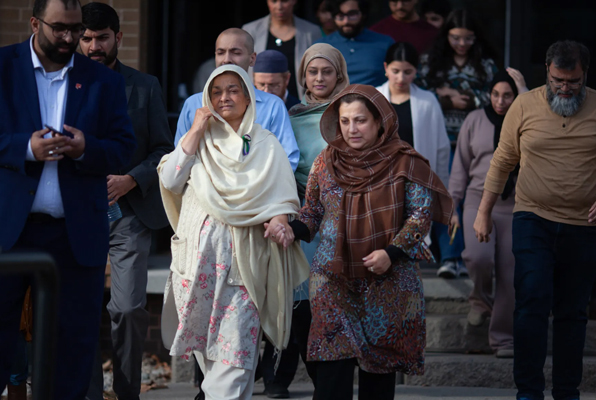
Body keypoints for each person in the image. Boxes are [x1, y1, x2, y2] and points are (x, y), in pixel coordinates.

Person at [0, 0, 136, 397]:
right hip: (1, 228)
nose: (70, 38)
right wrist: (24, 148)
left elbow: (123, 148)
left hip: (72, 235)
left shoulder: (103, 81)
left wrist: (87, 147)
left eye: (75, 28)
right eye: (60, 29)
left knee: (72, 339)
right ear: (35, 23)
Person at [473, 40, 596, 400]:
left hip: (585, 224)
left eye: (573, 81)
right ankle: (528, 392)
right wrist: (483, 212)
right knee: (531, 302)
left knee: (572, 312)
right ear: (546, 70)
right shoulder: (524, 105)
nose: (565, 88)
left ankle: (566, 392)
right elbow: (503, 160)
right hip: (533, 217)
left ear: (585, 74)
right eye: (558, 80)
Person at [280, 84, 453, 400]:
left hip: (387, 278)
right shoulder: (326, 162)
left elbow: (420, 216)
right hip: (334, 276)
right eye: (344, 121)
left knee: (379, 370)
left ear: (379, 122)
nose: (351, 129)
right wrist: (291, 230)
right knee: (333, 366)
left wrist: (391, 253)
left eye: (360, 120)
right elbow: (312, 212)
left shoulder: (405, 162)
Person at [158, 64, 309, 400]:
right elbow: (169, 180)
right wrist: (196, 129)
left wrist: (280, 221)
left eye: (233, 89)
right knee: (212, 362)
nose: (224, 97)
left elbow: (283, 195)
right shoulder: (199, 140)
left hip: (244, 268)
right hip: (197, 267)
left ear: (247, 96)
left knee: (235, 355)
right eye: (216, 91)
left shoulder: (266, 143)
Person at [79, 3, 175, 400]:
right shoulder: (62, 85)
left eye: (101, 37)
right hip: (76, 215)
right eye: (86, 38)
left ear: (118, 37)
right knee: (79, 309)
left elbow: (162, 151)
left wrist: (131, 180)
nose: (93, 46)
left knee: (128, 308)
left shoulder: (145, 85)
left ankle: (126, 392)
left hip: (129, 215)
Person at [258, 42, 350, 399]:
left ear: (339, 73)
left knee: (328, 305)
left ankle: (328, 385)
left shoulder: (350, 109)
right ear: (302, 76)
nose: (320, 78)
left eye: (327, 71)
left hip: (340, 220)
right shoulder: (289, 114)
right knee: (300, 305)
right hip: (299, 216)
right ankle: (308, 381)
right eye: (313, 71)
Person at [448, 70, 528, 358]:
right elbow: (460, 166)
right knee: (479, 257)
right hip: (476, 200)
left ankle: (503, 338)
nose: (501, 101)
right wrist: (453, 206)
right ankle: (480, 299)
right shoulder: (474, 119)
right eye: (495, 94)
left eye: (508, 95)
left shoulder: (527, 119)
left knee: (510, 272)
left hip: (514, 205)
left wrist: (523, 89)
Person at [417, 9, 498, 279]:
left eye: (467, 39)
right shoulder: (432, 60)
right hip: (439, 135)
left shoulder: (485, 63)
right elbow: (417, 87)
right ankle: (450, 256)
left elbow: (495, 94)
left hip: (475, 139)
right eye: (455, 38)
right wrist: (443, 96)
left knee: (464, 197)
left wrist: (457, 97)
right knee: (445, 196)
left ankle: (460, 256)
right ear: (446, 35)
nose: (462, 44)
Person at [173, 28, 299, 172]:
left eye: (236, 52)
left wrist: (261, 188)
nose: (226, 59)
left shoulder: (273, 105)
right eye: (220, 52)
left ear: (252, 58)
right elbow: (178, 160)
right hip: (205, 192)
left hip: (259, 192)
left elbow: (288, 159)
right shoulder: (194, 104)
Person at [377, 42, 450, 186]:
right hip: (381, 178)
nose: (401, 78)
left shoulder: (427, 101)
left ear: (416, 70)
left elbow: (442, 146)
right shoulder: (374, 98)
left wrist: (442, 186)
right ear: (386, 68)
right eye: (395, 71)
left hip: (418, 179)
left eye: (408, 72)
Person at [243, 0, 322, 98]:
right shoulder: (250, 30)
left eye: (284, 1)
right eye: (274, 1)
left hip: (301, 104)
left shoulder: (311, 32)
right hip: (260, 102)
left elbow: (319, 69)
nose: (279, 6)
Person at [315, 0, 394, 87]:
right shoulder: (321, 46)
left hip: (373, 99)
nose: (346, 21)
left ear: (363, 14)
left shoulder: (385, 43)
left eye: (352, 14)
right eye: (340, 16)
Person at [370, 0, 438, 56]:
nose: (400, 6)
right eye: (394, 1)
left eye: (405, 1)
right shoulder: (375, 32)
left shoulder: (433, 33)